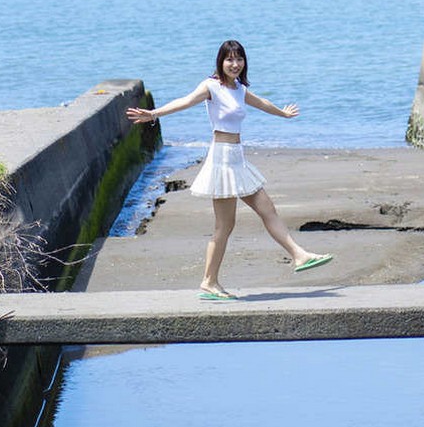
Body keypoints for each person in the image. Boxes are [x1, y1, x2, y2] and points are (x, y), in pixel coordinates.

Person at [127, 38, 332, 299]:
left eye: (239, 59)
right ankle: (209, 281)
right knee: (225, 226)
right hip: (221, 160)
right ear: (221, 62)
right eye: (229, 59)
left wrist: (283, 113)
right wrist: (154, 114)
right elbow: (186, 101)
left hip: (237, 158)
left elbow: (262, 103)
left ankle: (299, 255)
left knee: (267, 208)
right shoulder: (211, 86)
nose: (234, 64)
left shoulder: (239, 89)